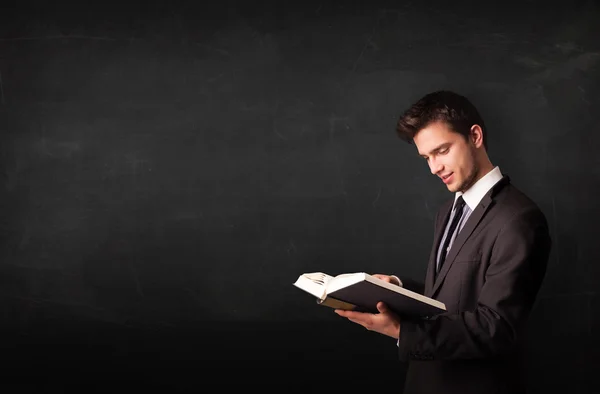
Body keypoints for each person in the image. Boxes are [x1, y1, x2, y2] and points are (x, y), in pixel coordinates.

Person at [335, 90, 552, 394]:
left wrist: (402, 331)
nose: (433, 168)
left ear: (475, 136)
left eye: (442, 151)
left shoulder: (519, 218)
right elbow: (454, 297)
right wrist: (397, 289)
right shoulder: (447, 211)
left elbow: (496, 328)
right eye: (426, 157)